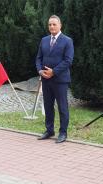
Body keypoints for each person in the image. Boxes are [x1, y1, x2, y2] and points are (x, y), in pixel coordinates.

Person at [36, 15, 74, 143]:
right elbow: (38, 58)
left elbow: (68, 61)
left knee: (62, 107)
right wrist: (41, 71)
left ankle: (63, 133)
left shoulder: (67, 41)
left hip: (60, 80)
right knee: (48, 106)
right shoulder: (44, 40)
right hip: (46, 79)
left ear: (60, 25)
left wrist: (54, 72)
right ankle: (49, 130)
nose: (51, 26)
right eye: (50, 24)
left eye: (54, 24)